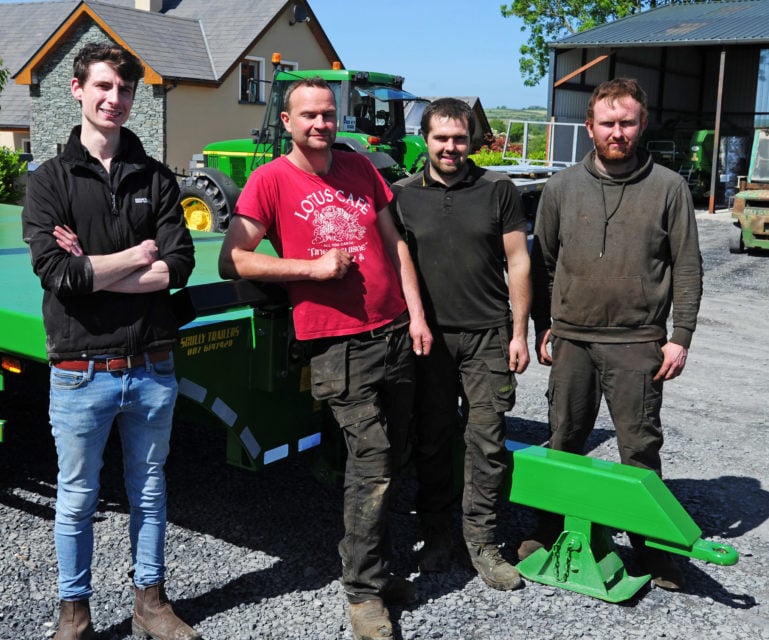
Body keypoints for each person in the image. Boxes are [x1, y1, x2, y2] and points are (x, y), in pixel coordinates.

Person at [218, 76, 431, 640]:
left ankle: (376, 570)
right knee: (374, 460)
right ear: (286, 122)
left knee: (393, 455)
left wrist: (417, 315)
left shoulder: (359, 166)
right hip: (337, 343)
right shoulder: (269, 180)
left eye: (328, 115)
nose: (320, 124)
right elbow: (232, 259)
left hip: (393, 331)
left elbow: (394, 244)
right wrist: (310, 270)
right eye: (308, 115)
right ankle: (363, 594)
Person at [21, 42, 198, 640]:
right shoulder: (49, 182)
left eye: (124, 90)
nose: (113, 99)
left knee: (150, 492)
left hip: (151, 365)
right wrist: (134, 255)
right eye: (102, 87)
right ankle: (74, 612)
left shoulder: (157, 178)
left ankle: (150, 602)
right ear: (77, 89)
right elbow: (60, 276)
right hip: (79, 370)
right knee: (75, 499)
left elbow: (179, 267)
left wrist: (98, 269)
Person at [521, 77, 703, 591]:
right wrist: (544, 325)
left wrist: (680, 335)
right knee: (563, 442)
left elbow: (686, 266)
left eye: (626, 122)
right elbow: (544, 265)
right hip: (573, 340)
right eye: (607, 123)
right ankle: (550, 529)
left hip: (638, 342)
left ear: (641, 124)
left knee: (640, 449)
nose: (617, 132)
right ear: (589, 127)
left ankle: (656, 550)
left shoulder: (668, 187)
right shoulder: (560, 188)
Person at [391, 98, 531, 591]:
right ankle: (435, 534)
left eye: (459, 138)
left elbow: (518, 262)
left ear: (473, 140)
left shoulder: (499, 190)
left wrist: (519, 331)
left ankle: (482, 543)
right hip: (428, 339)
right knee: (430, 438)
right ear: (425, 140)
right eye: (441, 138)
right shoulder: (402, 196)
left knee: (486, 442)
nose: (451, 147)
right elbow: (395, 267)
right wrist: (412, 321)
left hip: (488, 334)